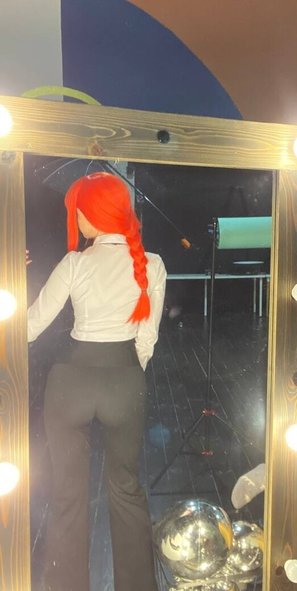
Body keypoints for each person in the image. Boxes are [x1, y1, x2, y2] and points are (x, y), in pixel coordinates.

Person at [27, 172, 166, 591]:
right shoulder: (152, 264)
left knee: (67, 495)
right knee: (126, 490)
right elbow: (147, 339)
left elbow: (30, 327)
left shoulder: (75, 263)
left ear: (92, 213)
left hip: (70, 383)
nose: (76, 219)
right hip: (124, 381)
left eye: (77, 212)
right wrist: (126, 372)